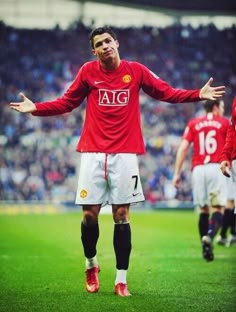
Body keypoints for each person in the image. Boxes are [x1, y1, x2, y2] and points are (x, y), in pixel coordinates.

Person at [9, 26, 225, 296]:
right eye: (99, 43)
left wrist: (197, 94)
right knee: (89, 215)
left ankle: (121, 279)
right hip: (93, 153)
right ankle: (91, 264)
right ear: (94, 50)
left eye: (108, 40)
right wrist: (36, 108)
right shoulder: (88, 72)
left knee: (122, 215)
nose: (105, 46)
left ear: (117, 42)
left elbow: (165, 92)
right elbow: (67, 102)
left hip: (124, 154)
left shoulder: (136, 71)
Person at [172, 99, 229, 262]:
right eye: (222, 107)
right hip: (217, 167)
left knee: (204, 210)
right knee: (218, 208)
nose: (223, 110)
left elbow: (183, 147)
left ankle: (205, 247)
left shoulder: (193, 123)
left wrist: (177, 173)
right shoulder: (224, 123)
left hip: (198, 170)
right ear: (216, 107)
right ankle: (210, 236)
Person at [219, 97, 236, 246]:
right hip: (231, 162)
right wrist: (225, 156)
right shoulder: (235, 102)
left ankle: (226, 234)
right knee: (230, 201)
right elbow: (231, 133)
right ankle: (229, 233)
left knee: (229, 201)